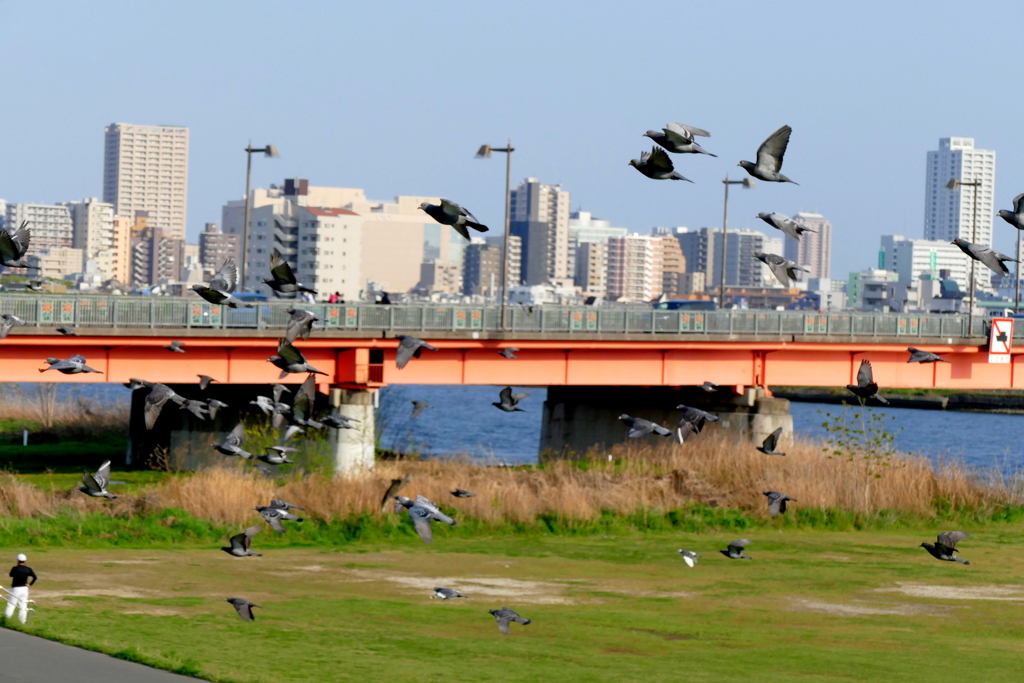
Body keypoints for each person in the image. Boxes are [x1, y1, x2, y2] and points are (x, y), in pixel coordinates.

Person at [6, 554, 36, 624]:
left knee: (11, 604)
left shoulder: (15, 569)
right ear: (24, 561)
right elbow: (35, 577)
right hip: (25, 589)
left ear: (18, 560)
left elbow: (11, 575)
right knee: (23, 605)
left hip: (16, 588)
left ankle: (6, 619)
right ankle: (22, 621)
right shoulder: (28, 569)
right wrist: (30, 584)